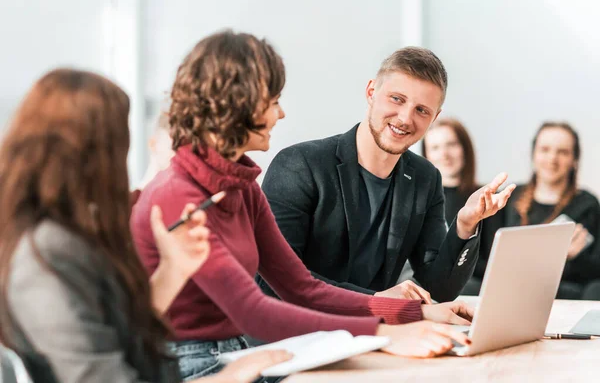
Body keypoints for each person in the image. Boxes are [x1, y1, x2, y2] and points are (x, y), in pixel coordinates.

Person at [132, 31, 473, 381]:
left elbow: (301, 288)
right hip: (183, 365)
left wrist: (409, 312)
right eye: (273, 100)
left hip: (236, 354)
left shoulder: (242, 186)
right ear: (237, 104)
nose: (281, 113)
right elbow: (253, 311)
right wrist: (385, 335)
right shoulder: (179, 194)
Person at [0, 68, 293, 383]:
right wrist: (229, 378)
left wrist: (172, 269)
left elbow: (121, 333)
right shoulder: (45, 252)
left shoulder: (68, 235)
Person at [257, 47, 515, 304]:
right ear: (371, 92)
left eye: (422, 110)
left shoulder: (426, 179)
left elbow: (439, 289)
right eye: (397, 99)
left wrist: (465, 224)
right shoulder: (299, 165)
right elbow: (274, 282)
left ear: (434, 117)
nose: (405, 118)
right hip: (298, 337)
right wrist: (376, 301)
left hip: (375, 336)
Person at [504, 122, 600, 300]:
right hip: (515, 288)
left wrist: (576, 256)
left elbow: (595, 270)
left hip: (566, 293)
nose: (552, 159)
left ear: (574, 160)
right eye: (545, 149)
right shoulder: (509, 196)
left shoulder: (587, 204)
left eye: (563, 152)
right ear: (534, 154)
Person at [421, 118, 504, 295]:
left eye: (451, 144)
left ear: (465, 149)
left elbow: (495, 261)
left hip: (479, 285)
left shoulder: (487, 198)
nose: (444, 154)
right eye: (435, 147)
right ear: (426, 155)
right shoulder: (419, 199)